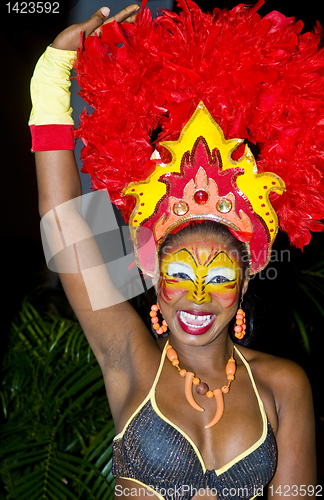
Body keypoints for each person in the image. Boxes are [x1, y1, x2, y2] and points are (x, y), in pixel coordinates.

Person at [29, 2, 321, 498]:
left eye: (221, 276)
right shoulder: (129, 357)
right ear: (151, 274)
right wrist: (53, 77)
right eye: (181, 274)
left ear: (247, 280)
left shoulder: (283, 385)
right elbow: (63, 224)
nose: (198, 296)